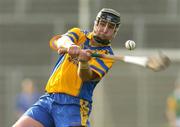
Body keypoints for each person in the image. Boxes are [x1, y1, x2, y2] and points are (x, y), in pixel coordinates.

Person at [13, 8, 121, 127]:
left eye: (110, 27)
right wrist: (71, 45)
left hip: (74, 106)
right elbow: (61, 41)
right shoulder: (79, 34)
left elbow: (86, 76)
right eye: (102, 24)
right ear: (96, 23)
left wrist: (84, 62)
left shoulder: (107, 56)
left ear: (115, 32)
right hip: (48, 98)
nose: (105, 29)